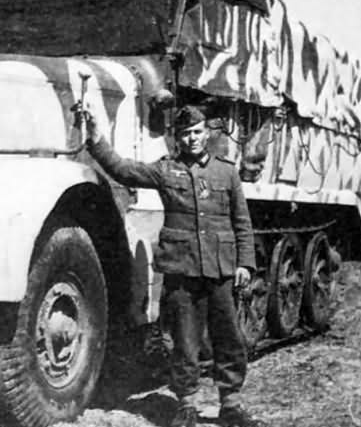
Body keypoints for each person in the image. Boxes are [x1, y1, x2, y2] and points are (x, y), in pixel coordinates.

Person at [85, 104, 265, 427]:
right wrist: (97, 140)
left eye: (197, 132)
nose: (192, 139)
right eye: (185, 134)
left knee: (229, 338)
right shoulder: (166, 170)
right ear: (177, 138)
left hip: (221, 270)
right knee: (184, 340)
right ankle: (187, 404)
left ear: (207, 134)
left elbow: (242, 222)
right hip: (183, 272)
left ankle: (231, 404)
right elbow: (125, 170)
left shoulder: (227, 172)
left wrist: (246, 265)